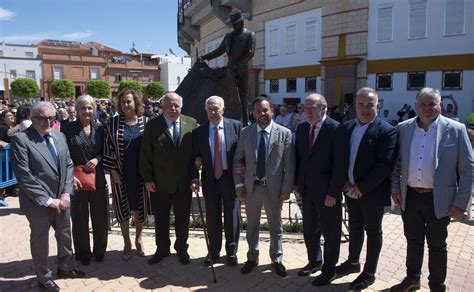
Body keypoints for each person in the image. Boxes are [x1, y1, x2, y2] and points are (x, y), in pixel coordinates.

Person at [390, 88, 473, 292]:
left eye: (432, 104)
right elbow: (396, 163)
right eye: (422, 104)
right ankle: (412, 279)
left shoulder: (455, 129)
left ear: (440, 105)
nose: (427, 108)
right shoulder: (403, 128)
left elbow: (468, 168)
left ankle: (437, 286)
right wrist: (395, 188)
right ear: (416, 105)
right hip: (410, 197)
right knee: (413, 240)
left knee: (437, 245)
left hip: (439, 200)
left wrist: (461, 202)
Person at [11, 101, 84, 292]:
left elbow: (68, 164)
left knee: (65, 235)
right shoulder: (21, 140)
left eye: (52, 118)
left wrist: (66, 193)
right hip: (38, 203)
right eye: (43, 118)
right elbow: (25, 176)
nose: (49, 122)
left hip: (62, 198)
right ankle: (44, 279)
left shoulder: (59, 136)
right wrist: (50, 201)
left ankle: (66, 269)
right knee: (40, 240)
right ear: (33, 119)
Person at [335, 87, 398, 290]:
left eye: (369, 105)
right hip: (350, 190)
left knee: (373, 231)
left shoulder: (387, 131)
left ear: (377, 107)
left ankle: (369, 273)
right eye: (361, 105)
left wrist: (362, 187)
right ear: (355, 106)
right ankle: (353, 263)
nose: (365, 109)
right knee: (354, 227)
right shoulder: (347, 127)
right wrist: (344, 180)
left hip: (372, 193)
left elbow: (385, 165)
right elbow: (341, 158)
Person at [233, 96, 295, 277]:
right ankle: (252, 257)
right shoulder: (246, 132)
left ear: (272, 111)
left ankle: (276, 259)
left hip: (274, 189)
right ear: (253, 113)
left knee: (275, 226)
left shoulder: (284, 133)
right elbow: (238, 160)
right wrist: (238, 182)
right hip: (252, 188)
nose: (262, 113)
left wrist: (286, 189)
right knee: (251, 225)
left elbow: (289, 165)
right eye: (258, 110)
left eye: (265, 110)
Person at [294, 94, 348, 285]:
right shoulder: (301, 129)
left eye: (312, 108)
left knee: (331, 232)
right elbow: (298, 160)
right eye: (305, 108)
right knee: (309, 229)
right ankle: (314, 261)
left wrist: (333, 193)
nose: (307, 112)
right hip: (306, 190)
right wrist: (296, 184)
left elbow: (341, 165)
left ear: (323, 108)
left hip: (328, 192)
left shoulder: (336, 129)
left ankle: (329, 270)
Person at [140, 91, 197, 265]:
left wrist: (195, 177)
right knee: (161, 219)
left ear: (181, 106)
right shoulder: (152, 126)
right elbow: (145, 154)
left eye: (176, 105)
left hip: (184, 183)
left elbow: (195, 154)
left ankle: (182, 250)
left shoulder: (191, 123)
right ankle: (162, 249)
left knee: (182, 219)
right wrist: (148, 179)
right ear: (162, 107)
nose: (173, 108)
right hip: (160, 183)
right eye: (169, 105)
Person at [191, 96, 242, 266]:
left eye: (216, 108)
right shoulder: (199, 132)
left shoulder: (236, 126)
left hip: (230, 179)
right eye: (210, 109)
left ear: (223, 109)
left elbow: (243, 154)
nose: (213, 112)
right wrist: (194, 178)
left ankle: (231, 251)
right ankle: (213, 251)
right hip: (210, 179)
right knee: (212, 217)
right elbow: (194, 158)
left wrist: (242, 172)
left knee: (232, 216)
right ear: (206, 111)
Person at [103, 89, 152, 260]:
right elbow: (107, 149)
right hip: (121, 173)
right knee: (122, 208)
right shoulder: (113, 124)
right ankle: (126, 242)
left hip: (141, 174)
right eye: (123, 102)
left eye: (129, 101)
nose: (126, 105)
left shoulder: (146, 122)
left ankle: (138, 239)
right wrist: (113, 172)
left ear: (136, 103)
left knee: (140, 207)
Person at [62, 95, 109, 266]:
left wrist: (97, 159)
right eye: (83, 108)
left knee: (100, 215)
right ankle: (83, 252)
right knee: (80, 216)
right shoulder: (68, 129)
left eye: (90, 108)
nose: (87, 111)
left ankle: (99, 250)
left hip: (97, 177)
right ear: (77, 109)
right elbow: (64, 155)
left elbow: (107, 151)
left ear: (94, 110)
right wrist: (70, 176)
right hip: (77, 179)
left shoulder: (101, 128)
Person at [200, 8, 256, 125]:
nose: (235, 26)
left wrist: (237, 65)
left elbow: (249, 53)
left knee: (243, 95)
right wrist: (205, 57)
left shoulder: (250, 35)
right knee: (230, 94)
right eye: (234, 24)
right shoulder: (228, 37)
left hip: (242, 70)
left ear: (242, 22)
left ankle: (245, 121)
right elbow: (218, 51)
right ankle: (232, 118)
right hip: (230, 71)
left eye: (237, 23)